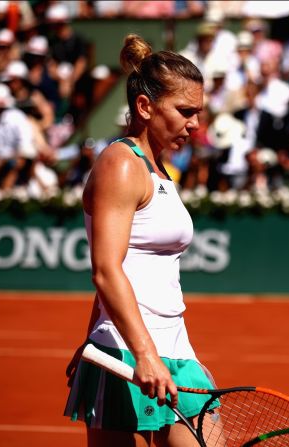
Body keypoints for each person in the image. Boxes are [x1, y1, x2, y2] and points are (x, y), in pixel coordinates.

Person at [63, 33, 214, 447]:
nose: (195, 124)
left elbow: (127, 266)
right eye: (185, 111)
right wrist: (142, 352)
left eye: (198, 112)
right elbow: (107, 270)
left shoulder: (159, 170)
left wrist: (92, 332)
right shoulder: (121, 164)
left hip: (174, 346)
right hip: (127, 355)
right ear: (145, 107)